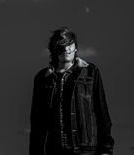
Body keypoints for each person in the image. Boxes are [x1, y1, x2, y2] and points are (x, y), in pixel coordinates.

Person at [29, 26, 114, 155]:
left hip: (85, 150)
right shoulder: (42, 79)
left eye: (69, 44)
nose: (66, 49)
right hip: (54, 151)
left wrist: (106, 150)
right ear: (54, 50)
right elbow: (37, 123)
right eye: (62, 45)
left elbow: (102, 114)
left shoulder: (91, 73)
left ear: (76, 48)